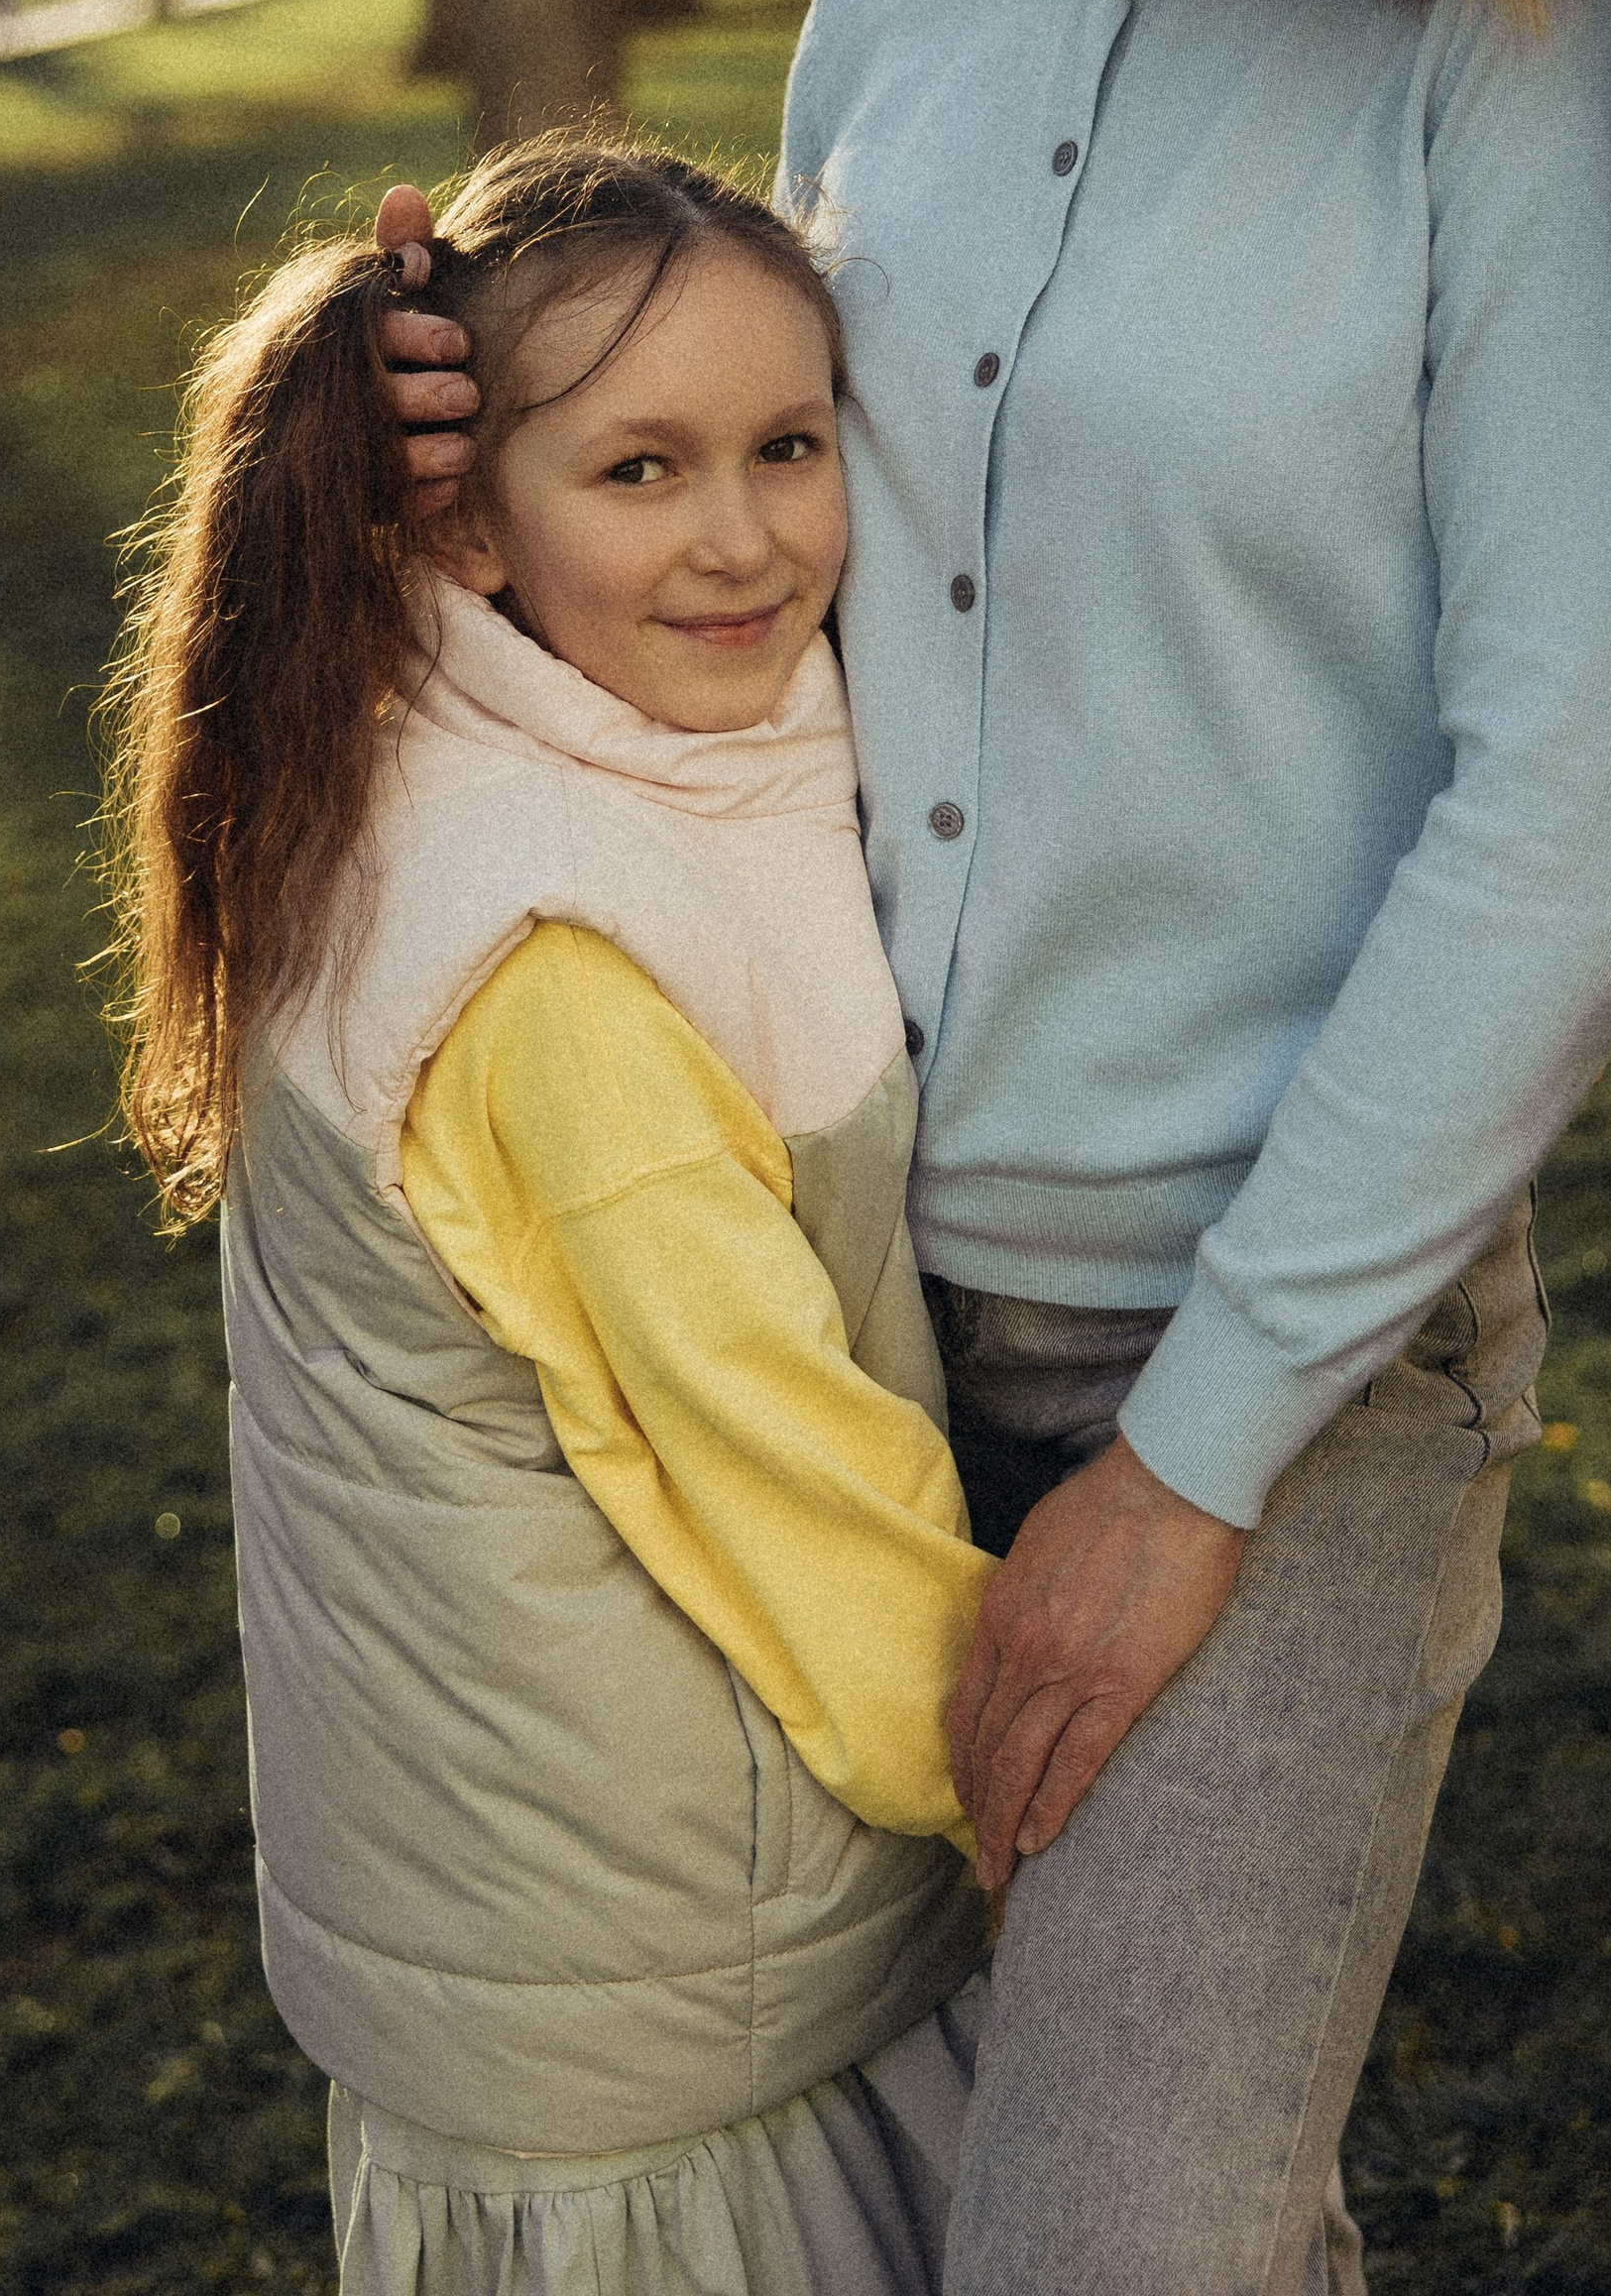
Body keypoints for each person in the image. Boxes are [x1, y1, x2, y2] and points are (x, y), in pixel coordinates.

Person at [378, 0, 1611, 2295]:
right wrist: (433, 415)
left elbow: (1567, 805)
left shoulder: (1532, 19)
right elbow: (730, 566)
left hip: (1274, 1349)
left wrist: (1192, 1467)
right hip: (812, 1315)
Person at [103, 138, 1000, 2296]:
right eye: (637, 470)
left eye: (788, 445)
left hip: (536, 1957)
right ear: (464, 515)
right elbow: (780, 1469)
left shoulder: (411, 744)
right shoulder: (555, 964)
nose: (741, 537)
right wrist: (1040, 1790)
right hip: (673, 2018)